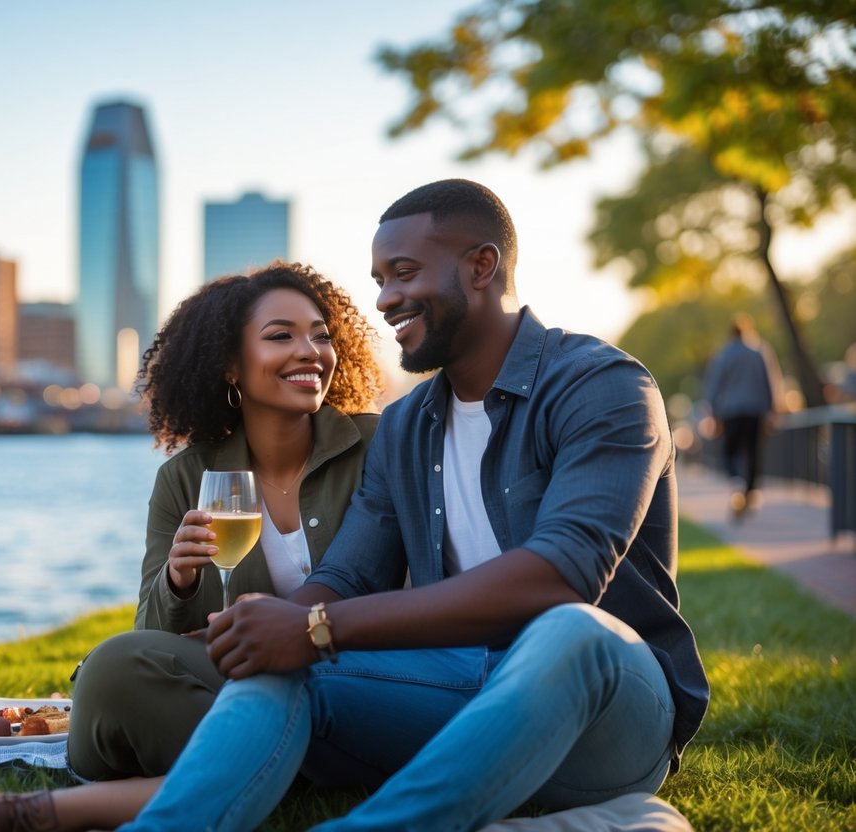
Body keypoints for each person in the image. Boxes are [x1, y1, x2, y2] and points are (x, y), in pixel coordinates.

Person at [111, 178, 710, 831]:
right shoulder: (404, 427)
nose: (383, 299)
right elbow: (347, 578)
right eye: (378, 279)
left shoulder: (601, 387)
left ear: (481, 266)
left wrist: (317, 630)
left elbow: (560, 578)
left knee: (569, 628)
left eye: (402, 273)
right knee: (277, 666)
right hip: (453, 695)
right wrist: (266, 626)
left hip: (606, 719)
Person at [0, 261, 383, 831]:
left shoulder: (376, 444)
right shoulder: (187, 478)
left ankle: (246, 772)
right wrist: (178, 582)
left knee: (172, 699)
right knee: (113, 669)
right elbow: (151, 634)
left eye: (321, 335)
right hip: (239, 677)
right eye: (281, 335)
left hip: (355, 675)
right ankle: (281, 766)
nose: (310, 351)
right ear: (230, 364)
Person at [702, 314, 782, 517]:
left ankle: (737, 482)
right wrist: (773, 409)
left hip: (731, 411)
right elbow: (771, 382)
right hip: (755, 411)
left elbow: (714, 385)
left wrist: (712, 412)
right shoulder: (760, 351)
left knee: (729, 451)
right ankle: (751, 493)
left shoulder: (724, 354)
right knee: (753, 452)